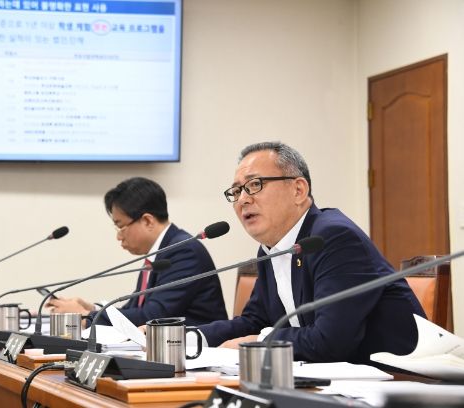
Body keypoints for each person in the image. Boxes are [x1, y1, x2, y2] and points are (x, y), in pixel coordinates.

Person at [199, 142, 425, 363]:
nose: (242, 199)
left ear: (298, 190)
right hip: (337, 377)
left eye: (255, 184)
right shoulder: (272, 248)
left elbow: (331, 340)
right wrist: (192, 338)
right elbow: (254, 321)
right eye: (236, 191)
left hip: (399, 376)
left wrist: (259, 341)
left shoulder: (333, 237)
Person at [48, 176, 228, 327]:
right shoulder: (160, 252)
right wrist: (92, 309)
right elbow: (134, 310)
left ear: (148, 221)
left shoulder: (183, 251)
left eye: (121, 227)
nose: (118, 237)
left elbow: (152, 316)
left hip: (200, 349)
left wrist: (85, 316)